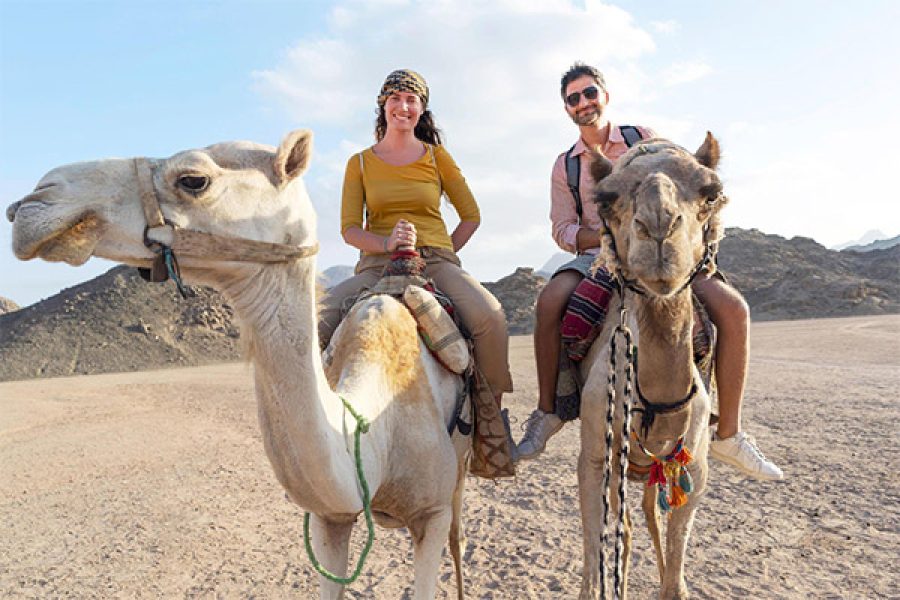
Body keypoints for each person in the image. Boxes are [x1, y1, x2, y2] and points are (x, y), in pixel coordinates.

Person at [515, 63, 783, 482]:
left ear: (605, 95)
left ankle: (729, 432)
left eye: (589, 94)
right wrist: (607, 234)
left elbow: (687, 186)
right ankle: (548, 413)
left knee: (733, 310)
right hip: (602, 253)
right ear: (566, 109)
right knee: (550, 301)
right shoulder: (566, 166)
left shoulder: (646, 140)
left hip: (663, 247)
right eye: (573, 98)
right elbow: (562, 229)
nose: (583, 104)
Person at [319, 68, 514, 412]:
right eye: (395, 98)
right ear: (382, 106)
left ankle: (491, 420)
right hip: (377, 266)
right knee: (314, 320)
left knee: (491, 317)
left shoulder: (437, 158)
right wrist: (387, 243)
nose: (403, 106)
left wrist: (440, 251)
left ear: (422, 109)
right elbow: (349, 229)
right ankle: (317, 420)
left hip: (435, 263)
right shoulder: (360, 163)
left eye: (411, 100)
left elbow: (471, 216)